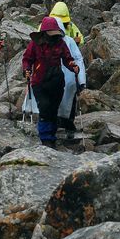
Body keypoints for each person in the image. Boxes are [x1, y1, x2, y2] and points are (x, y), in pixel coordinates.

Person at [22, 16, 79, 147]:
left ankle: (51, 136)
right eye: (52, 34)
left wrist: (73, 66)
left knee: (53, 109)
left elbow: (67, 58)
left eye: (56, 34)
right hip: (39, 82)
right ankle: (45, 137)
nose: (55, 36)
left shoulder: (60, 43)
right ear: (45, 32)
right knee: (45, 108)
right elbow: (27, 59)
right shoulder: (35, 44)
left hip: (57, 81)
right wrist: (26, 69)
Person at [54, 18, 86, 140]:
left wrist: (81, 80)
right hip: (58, 78)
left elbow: (78, 59)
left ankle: (68, 127)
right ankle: (60, 126)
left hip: (69, 78)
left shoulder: (69, 41)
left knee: (68, 102)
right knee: (59, 102)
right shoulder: (66, 41)